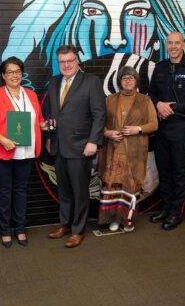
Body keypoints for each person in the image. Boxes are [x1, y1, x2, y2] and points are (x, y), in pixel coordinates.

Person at [44, 45, 106, 248]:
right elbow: (51, 114)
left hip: (81, 147)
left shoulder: (91, 81)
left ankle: (78, 230)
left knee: (79, 192)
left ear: (77, 60)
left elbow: (99, 114)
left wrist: (93, 141)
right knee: (64, 191)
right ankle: (65, 224)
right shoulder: (54, 82)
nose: (66, 65)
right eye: (62, 62)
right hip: (58, 146)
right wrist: (50, 137)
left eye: (70, 61)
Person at [0, 57, 47, 247]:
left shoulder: (31, 95)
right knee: (4, 193)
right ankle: (5, 229)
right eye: (10, 72)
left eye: (18, 71)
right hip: (2, 152)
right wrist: (3, 140)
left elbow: (39, 120)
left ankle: (19, 227)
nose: (14, 75)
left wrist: (45, 125)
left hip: (26, 152)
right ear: (3, 75)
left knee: (21, 191)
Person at [148, 31, 185, 231]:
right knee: (164, 170)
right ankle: (165, 208)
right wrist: (158, 104)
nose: (173, 46)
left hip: (181, 126)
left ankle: (176, 212)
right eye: (170, 43)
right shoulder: (160, 67)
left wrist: (172, 108)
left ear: (183, 45)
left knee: (179, 172)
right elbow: (151, 93)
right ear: (166, 45)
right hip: (161, 127)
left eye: (177, 43)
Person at [98, 66, 158, 232]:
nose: (128, 80)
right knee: (112, 187)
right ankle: (113, 220)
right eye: (124, 78)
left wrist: (137, 129)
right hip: (113, 152)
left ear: (136, 81)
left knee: (130, 189)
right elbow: (99, 122)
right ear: (119, 81)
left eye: (131, 78)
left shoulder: (145, 100)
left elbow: (154, 124)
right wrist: (107, 133)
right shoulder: (110, 99)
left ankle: (127, 221)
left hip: (134, 153)